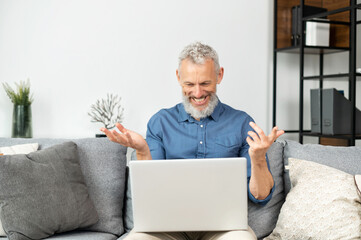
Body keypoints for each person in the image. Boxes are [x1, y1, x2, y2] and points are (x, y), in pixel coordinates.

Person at [101, 42, 284, 240]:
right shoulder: (161, 122)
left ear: (219, 75)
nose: (197, 93)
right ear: (179, 78)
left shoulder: (242, 123)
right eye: (189, 84)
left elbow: (261, 197)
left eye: (205, 83)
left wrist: (258, 158)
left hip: (224, 228)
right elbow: (152, 194)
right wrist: (142, 149)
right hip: (166, 226)